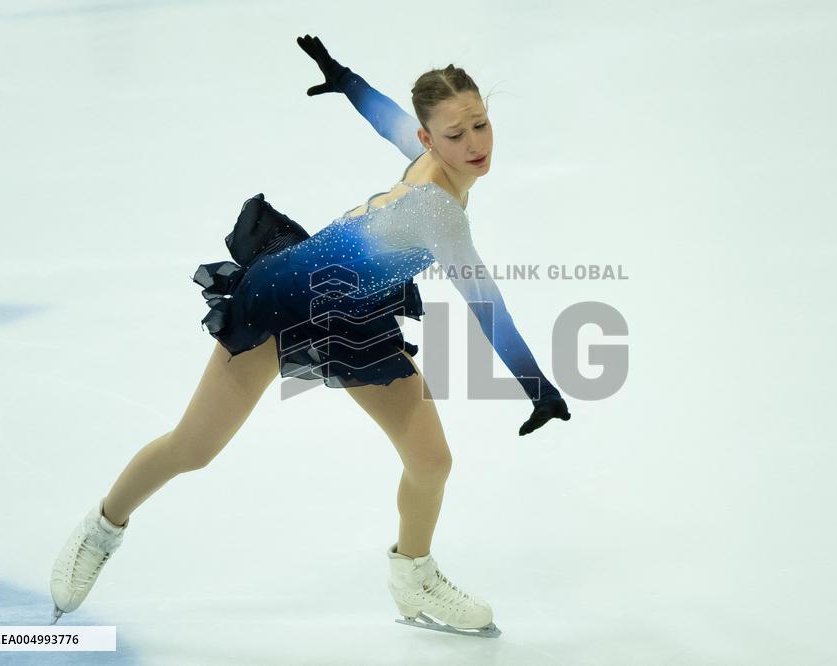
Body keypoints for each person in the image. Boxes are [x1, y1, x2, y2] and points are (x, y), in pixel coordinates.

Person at [48, 34, 571, 639]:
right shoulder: (439, 212)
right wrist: (538, 388)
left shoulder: (432, 155)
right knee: (193, 448)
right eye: (456, 135)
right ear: (430, 141)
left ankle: (414, 577)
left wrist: (344, 78)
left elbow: (385, 118)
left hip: (353, 314)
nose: (474, 144)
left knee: (431, 460)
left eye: (480, 124)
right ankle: (103, 527)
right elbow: (487, 306)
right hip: (283, 300)